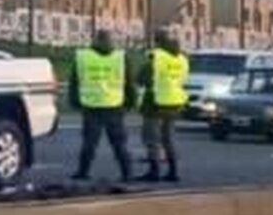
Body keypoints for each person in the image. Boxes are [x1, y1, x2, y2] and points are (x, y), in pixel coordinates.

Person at [70, 29, 133, 182]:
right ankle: (127, 173)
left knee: (89, 143)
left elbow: (74, 81)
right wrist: (129, 102)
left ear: (95, 40)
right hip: (114, 104)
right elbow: (128, 82)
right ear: (111, 40)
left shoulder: (83, 57)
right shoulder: (120, 57)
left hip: (91, 105)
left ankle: (83, 172)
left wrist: (75, 101)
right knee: (119, 143)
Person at [138, 30, 189, 183]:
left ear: (157, 42)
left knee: (152, 138)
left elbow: (142, 78)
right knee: (168, 138)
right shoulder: (182, 59)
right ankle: (173, 171)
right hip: (174, 103)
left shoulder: (157, 58)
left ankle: (154, 171)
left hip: (155, 103)